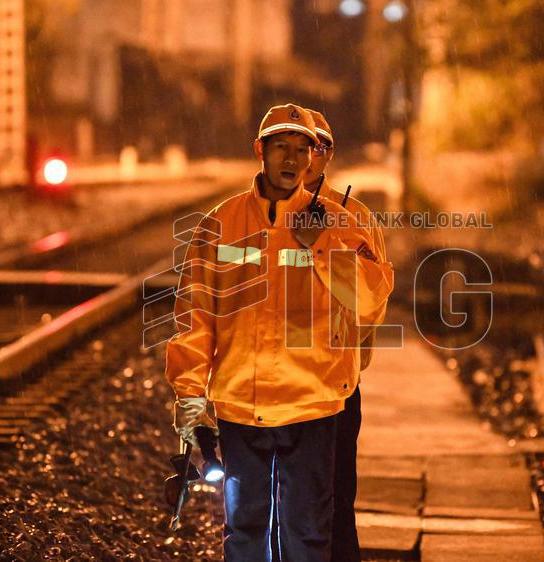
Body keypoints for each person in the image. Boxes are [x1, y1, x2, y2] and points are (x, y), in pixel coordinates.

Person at [165, 103, 394, 562]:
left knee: (308, 536)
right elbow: (195, 317)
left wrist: (325, 245)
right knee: (244, 533)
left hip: (313, 403)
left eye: (301, 150)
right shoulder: (220, 224)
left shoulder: (343, 223)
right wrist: (190, 402)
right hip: (239, 405)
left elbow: (371, 301)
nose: (291, 159)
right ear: (260, 152)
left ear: (314, 158)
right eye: (280, 148)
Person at [301, 108, 389, 562]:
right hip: (271, 387)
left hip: (335, 385)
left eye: (312, 146)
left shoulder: (354, 216)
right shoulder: (256, 214)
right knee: (269, 507)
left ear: (328, 153)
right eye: (291, 145)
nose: (302, 156)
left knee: (334, 506)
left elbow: (371, 299)